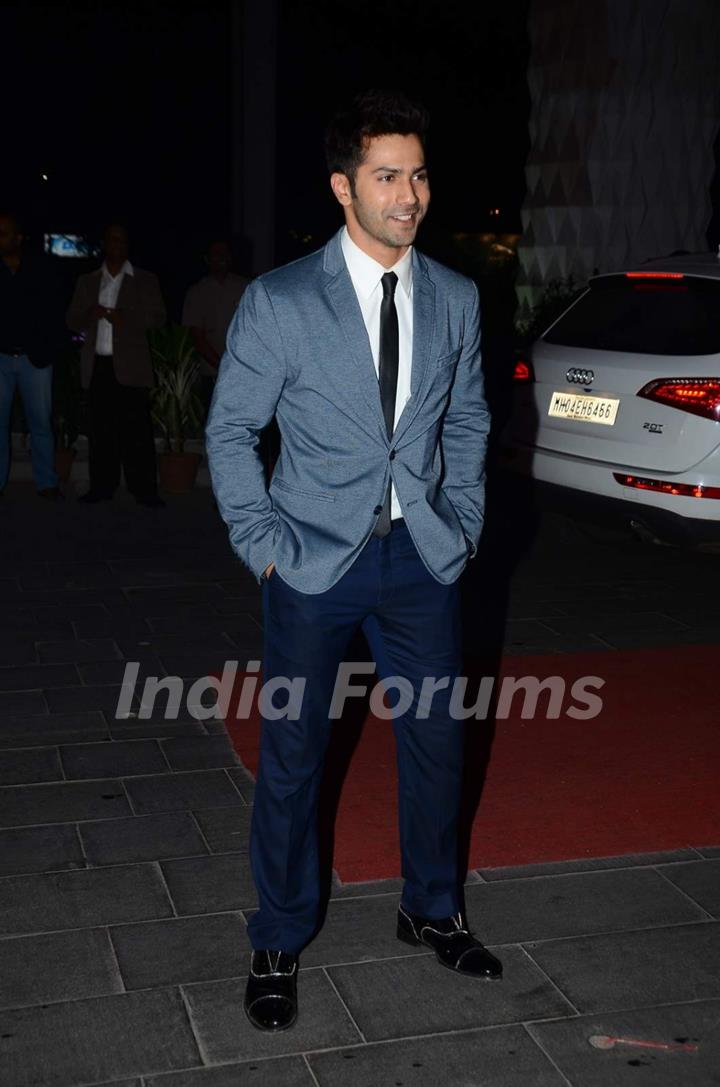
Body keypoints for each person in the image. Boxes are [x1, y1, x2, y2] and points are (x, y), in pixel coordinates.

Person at [206, 90, 499, 1034]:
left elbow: (469, 418)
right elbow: (229, 432)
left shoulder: (456, 296)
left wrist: (459, 523)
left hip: (421, 557)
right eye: (386, 176)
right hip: (311, 565)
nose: (409, 194)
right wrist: (263, 550)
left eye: (417, 174)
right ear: (343, 187)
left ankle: (433, 904)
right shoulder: (282, 299)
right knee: (294, 754)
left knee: (437, 743)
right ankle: (279, 933)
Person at [66, 223, 165, 507]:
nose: (117, 243)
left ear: (128, 244)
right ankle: (102, 487)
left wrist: (126, 318)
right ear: (105, 244)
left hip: (131, 367)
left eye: (122, 239)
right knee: (100, 431)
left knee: (137, 433)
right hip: (98, 364)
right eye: (112, 239)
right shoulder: (87, 280)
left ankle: (144, 490)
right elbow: (71, 320)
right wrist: (89, 313)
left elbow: (158, 317)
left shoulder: (145, 280)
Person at [0, 212, 63, 499]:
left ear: (18, 237)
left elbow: (54, 311)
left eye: (4, 233)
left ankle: (46, 482)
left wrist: (47, 349)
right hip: (1, 359)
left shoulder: (40, 267)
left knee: (40, 423)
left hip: (34, 360)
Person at [182, 239, 250, 409]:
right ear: (207, 259)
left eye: (225, 253)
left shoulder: (246, 287)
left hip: (245, 372)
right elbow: (197, 337)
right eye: (216, 254)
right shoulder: (197, 292)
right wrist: (223, 367)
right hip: (212, 373)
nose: (221, 257)